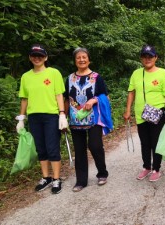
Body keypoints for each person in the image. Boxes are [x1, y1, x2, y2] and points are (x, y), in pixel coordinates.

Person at [16, 44, 68, 194]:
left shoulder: (53, 73)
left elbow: (59, 94)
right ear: (30, 58)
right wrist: (21, 118)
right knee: (41, 148)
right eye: (34, 55)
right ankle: (46, 177)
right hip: (34, 116)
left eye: (40, 55)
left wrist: (62, 113)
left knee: (52, 148)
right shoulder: (26, 76)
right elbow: (24, 99)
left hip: (51, 115)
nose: (37, 58)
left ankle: (57, 178)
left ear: (45, 57)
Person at [123, 44, 165, 182]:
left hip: (157, 112)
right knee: (145, 142)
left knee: (156, 142)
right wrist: (128, 110)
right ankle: (146, 167)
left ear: (156, 57)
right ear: (141, 58)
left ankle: (156, 169)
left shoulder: (162, 73)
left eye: (150, 56)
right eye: (144, 56)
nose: (147, 59)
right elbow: (131, 92)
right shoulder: (136, 74)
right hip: (141, 113)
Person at [64, 47, 113, 192]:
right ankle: (81, 181)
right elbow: (66, 99)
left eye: (84, 57)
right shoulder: (69, 78)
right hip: (75, 120)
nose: (81, 60)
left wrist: (94, 100)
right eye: (78, 57)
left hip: (93, 119)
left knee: (95, 146)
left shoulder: (96, 77)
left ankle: (102, 173)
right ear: (75, 61)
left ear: (89, 59)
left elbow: (106, 97)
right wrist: (63, 117)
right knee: (79, 150)